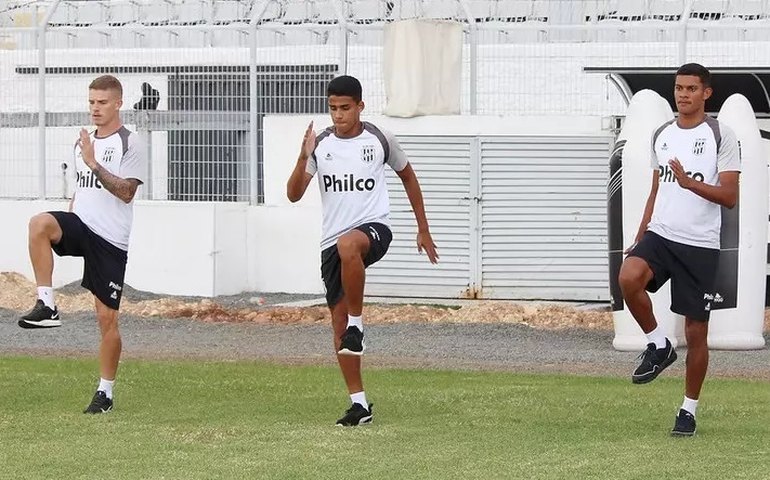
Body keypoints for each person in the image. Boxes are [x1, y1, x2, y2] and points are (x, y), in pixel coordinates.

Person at [286, 75, 439, 426]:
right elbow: (294, 194)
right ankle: (360, 405)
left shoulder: (379, 138)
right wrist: (301, 157)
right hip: (332, 244)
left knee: (349, 245)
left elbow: (408, 176)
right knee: (338, 328)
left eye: (345, 108)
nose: (338, 116)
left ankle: (358, 324)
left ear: (359, 106)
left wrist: (423, 228)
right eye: (332, 109)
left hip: (373, 230)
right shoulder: (320, 145)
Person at [618, 63, 740, 436]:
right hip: (662, 235)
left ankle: (688, 409)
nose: (682, 95)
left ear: (706, 93)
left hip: (700, 244)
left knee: (697, 332)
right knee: (628, 279)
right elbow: (658, 190)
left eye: (690, 88)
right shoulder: (662, 134)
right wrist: (641, 235)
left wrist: (690, 183)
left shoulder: (721, 134)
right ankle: (658, 343)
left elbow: (730, 197)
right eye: (678, 88)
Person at [19, 75, 146, 414]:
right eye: (91, 102)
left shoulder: (130, 142)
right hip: (82, 225)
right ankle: (47, 304)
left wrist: (94, 163)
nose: (95, 108)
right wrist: (74, 208)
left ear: (117, 103)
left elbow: (127, 191)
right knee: (40, 224)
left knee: (106, 319)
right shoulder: (82, 141)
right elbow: (83, 187)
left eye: (102, 102)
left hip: (110, 240)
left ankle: (105, 393)